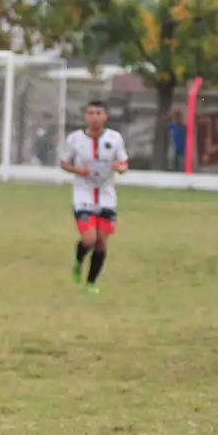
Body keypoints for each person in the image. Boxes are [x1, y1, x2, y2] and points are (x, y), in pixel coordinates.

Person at [60, 100, 129, 294]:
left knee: (101, 242)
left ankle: (91, 282)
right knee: (89, 239)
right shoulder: (75, 139)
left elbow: (124, 164)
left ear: (105, 116)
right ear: (86, 116)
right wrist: (78, 170)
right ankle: (77, 261)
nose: (94, 117)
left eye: (98, 113)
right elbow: (64, 163)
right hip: (83, 195)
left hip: (107, 196)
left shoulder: (114, 138)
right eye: (91, 113)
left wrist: (119, 168)